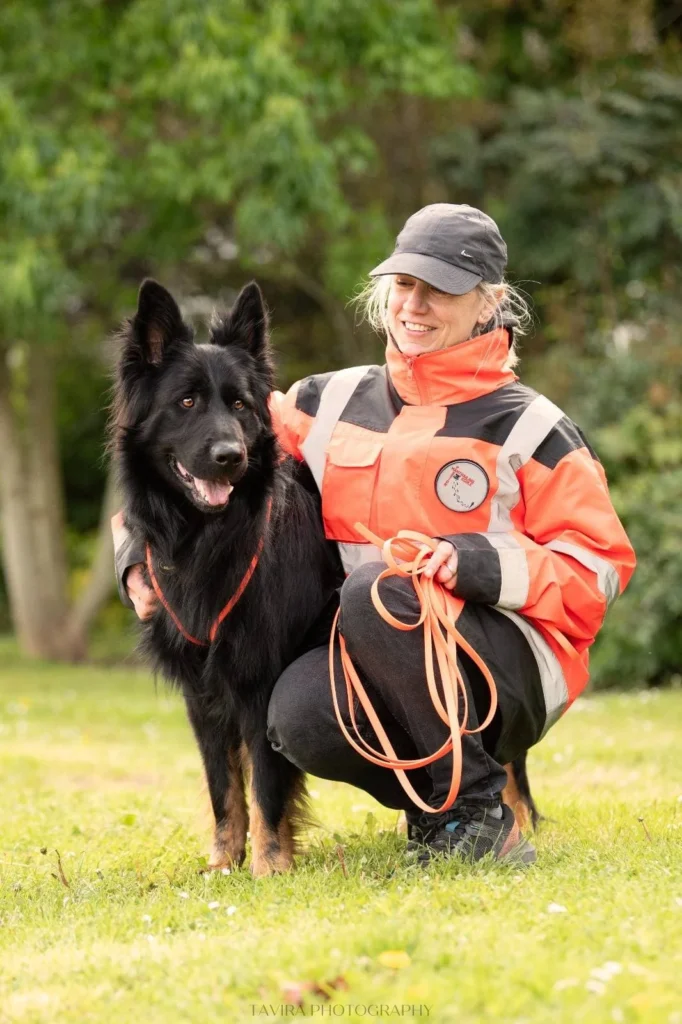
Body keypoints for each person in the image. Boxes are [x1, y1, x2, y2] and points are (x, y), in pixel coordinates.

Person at [113, 204, 636, 865]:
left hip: (509, 669)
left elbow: (598, 568)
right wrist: (132, 557)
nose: (414, 305)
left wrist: (475, 564)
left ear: (489, 303)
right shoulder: (324, 402)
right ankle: (434, 804)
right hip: (385, 651)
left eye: (440, 289)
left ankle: (476, 815)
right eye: (404, 285)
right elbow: (186, 456)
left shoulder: (534, 427)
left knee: (378, 591)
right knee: (295, 713)